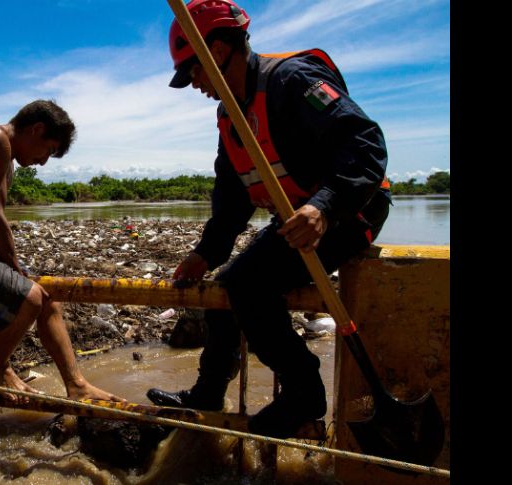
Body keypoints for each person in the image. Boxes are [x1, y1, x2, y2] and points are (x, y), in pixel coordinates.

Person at [147, 0, 391, 438]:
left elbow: (365, 144)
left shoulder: (293, 82)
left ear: (218, 50)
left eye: (194, 71)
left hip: (351, 211)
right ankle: (207, 393)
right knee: (225, 288)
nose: (195, 85)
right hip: (298, 223)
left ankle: (304, 393)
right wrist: (206, 252)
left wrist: (324, 206)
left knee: (249, 285)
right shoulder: (230, 117)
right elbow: (232, 199)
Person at [0, 99, 125, 405]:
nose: (43, 162)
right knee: (29, 298)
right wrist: (15, 268)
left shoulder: (5, 157)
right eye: (48, 150)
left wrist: (14, 269)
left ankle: (77, 384)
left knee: (47, 301)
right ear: (36, 129)